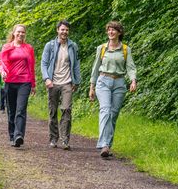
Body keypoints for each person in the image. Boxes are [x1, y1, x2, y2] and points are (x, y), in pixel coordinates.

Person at [89, 21, 137, 157]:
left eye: (113, 30)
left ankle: (107, 145)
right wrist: (91, 87)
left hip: (119, 83)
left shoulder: (126, 49)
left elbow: (131, 67)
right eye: (109, 30)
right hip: (103, 81)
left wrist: (133, 80)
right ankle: (104, 144)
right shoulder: (102, 48)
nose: (110, 32)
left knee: (113, 114)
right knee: (105, 110)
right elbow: (95, 68)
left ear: (119, 32)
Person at [41, 20, 81, 150]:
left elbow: (76, 65)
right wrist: (46, 78)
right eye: (62, 29)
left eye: (66, 30)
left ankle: (65, 140)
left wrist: (76, 81)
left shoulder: (73, 46)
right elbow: (44, 63)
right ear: (57, 30)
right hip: (53, 83)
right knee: (53, 112)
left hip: (67, 83)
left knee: (66, 110)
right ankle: (53, 139)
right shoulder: (50, 45)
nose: (64, 32)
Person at [0, 24, 36, 148]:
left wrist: (33, 83)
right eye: (18, 32)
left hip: (24, 82)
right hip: (10, 81)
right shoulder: (7, 47)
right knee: (12, 110)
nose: (20, 34)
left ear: (25, 34)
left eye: (23, 32)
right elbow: (2, 63)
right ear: (14, 33)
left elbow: (31, 66)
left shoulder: (28, 48)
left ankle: (18, 135)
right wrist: (2, 71)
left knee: (21, 110)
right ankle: (12, 134)